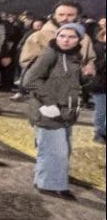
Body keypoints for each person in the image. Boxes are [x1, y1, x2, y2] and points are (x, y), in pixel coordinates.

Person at [21, 23, 93, 198]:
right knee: (55, 150)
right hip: (48, 111)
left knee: (60, 149)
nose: (66, 40)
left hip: (66, 111)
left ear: (79, 40)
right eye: (62, 36)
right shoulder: (49, 54)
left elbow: (71, 83)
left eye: (71, 37)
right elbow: (29, 80)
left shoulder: (74, 57)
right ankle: (50, 185)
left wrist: (86, 76)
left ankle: (47, 180)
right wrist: (49, 103)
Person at [92, 19, 106, 145]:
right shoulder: (97, 48)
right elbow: (95, 67)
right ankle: (98, 133)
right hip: (101, 84)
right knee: (101, 111)